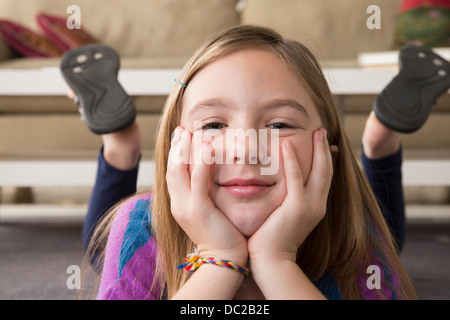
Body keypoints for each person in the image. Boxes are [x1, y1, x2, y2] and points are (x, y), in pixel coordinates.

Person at [61, 25, 431, 300]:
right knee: (100, 244)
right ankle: (122, 145)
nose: (245, 150)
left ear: (327, 151)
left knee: (380, 229)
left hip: (340, 215)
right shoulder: (143, 223)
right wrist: (220, 258)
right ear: (178, 149)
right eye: (215, 124)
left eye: (280, 124)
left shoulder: (353, 227)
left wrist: (276, 260)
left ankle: (379, 139)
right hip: (155, 224)